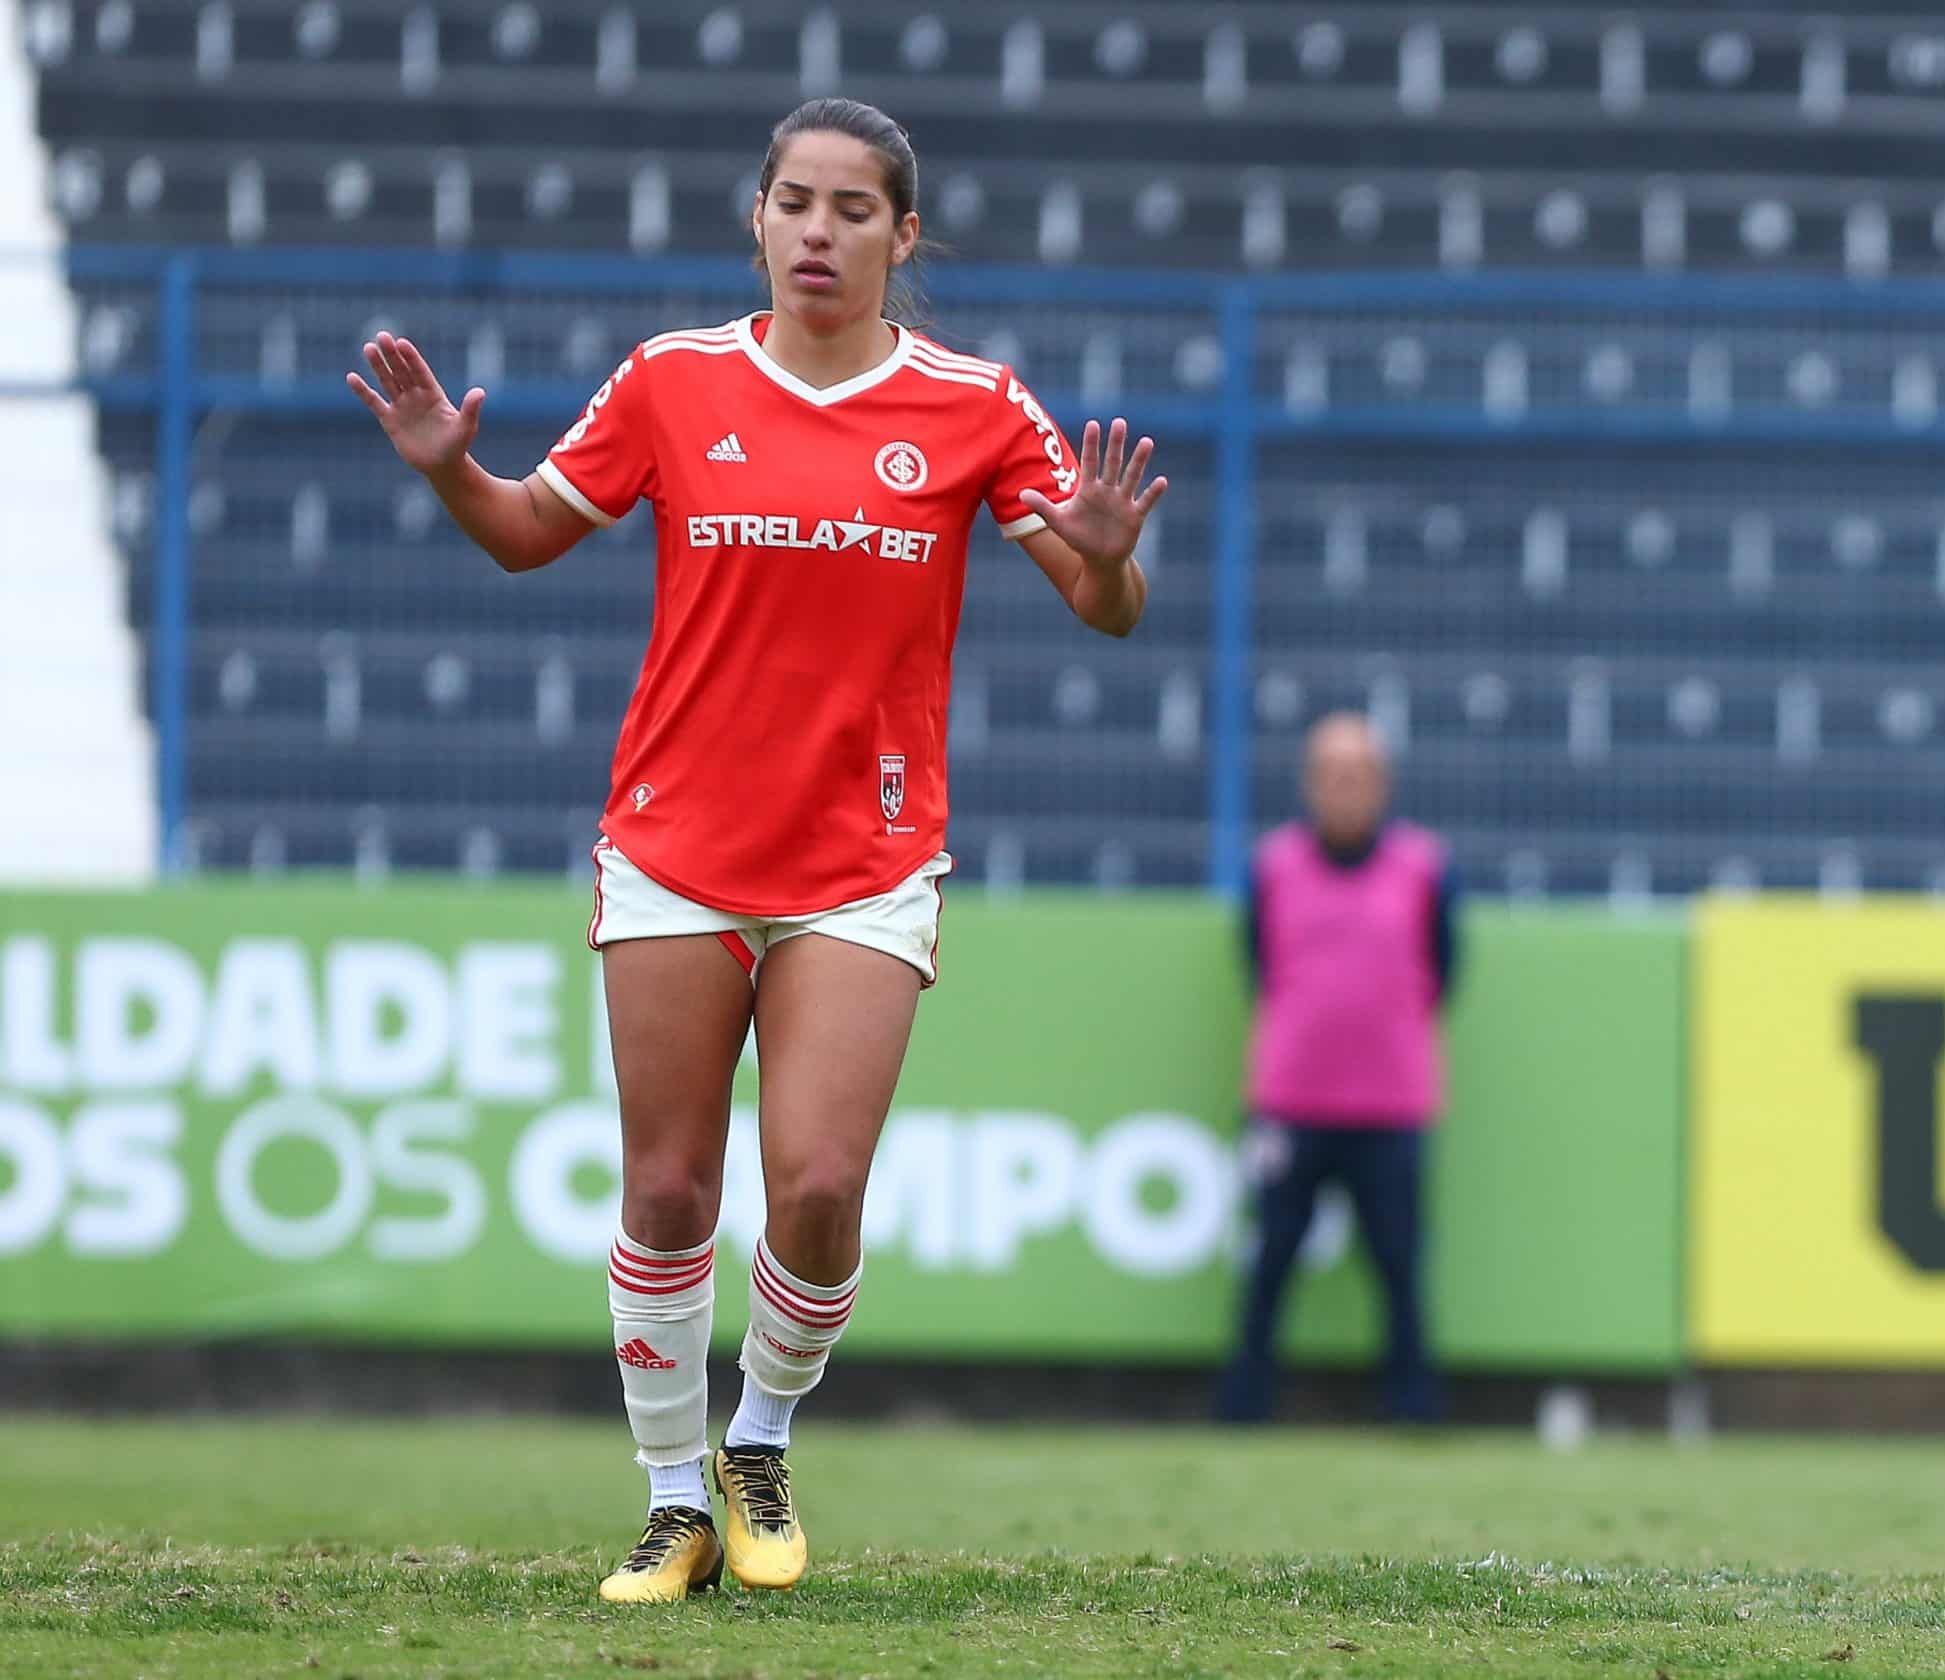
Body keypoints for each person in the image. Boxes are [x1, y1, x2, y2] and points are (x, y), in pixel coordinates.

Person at [347, 98, 1168, 1603]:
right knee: (666, 1188)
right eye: (795, 200)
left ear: (902, 237)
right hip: (674, 846)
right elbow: (531, 529)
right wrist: (445, 470)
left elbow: (1100, 604)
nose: (817, 230)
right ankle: (672, 1499)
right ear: (757, 215)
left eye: (855, 210)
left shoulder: (978, 405)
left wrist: (1109, 560)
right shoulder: (674, 380)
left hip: (863, 857)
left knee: (816, 1185)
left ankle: (763, 1435)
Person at [1218, 712, 1459, 1425]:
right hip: (1290, 1104)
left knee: (1399, 1266)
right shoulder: (1273, 867)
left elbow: (1443, 970)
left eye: (1358, 774)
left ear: (1381, 784)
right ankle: (1243, 1409)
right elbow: (1260, 964)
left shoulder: (1425, 868)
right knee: (1268, 1263)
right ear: (1310, 782)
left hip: (1390, 1107)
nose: (1344, 788)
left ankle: (1414, 1411)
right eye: (1331, 774)